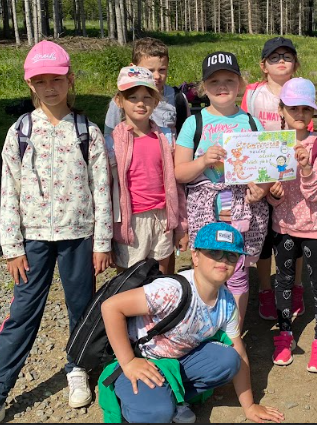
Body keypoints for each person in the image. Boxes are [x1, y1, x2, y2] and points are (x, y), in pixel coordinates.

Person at [0, 40, 113, 421]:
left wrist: (101, 243)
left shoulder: (87, 132)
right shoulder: (20, 131)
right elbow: (8, 190)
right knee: (22, 312)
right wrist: (12, 247)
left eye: (57, 79)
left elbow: (101, 190)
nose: (50, 88)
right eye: (41, 81)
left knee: (81, 307)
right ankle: (1, 386)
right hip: (32, 239)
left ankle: (77, 367)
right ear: (30, 84)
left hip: (78, 236)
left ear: (70, 80)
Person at [100, 222, 285, 424]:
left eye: (232, 255)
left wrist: (249, 406)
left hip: (177, 359)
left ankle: (172, 397)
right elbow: (111, 307)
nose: (224, 259)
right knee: (158, 413)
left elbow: (238, 352)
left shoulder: (227, 302)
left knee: (229, 359)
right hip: (142, 358)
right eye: (215, 252)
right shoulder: (171, 290)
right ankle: (134, 400)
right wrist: (129, 362)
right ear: (195, 257)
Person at [174, 51, 270, 331]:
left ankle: (232, 333)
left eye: (229, 79)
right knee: (207, 270)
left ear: (240, 84)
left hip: (242, 210)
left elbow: (265, 170)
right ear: (204, 87)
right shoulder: (194, 123)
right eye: (214, 81)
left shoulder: (252, 123)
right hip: (206, 212)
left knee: (236, 270)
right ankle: (203, 330)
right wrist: (204, 161)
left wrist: (260, 190)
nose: (222, 86)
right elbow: (180, 172)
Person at [104, 37, 191, 275]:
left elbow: (176, 173)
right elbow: (109, 170)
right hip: (131, 217)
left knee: (162, 274)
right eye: (150, 70)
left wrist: (181, 224)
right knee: (130, 278)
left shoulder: (169, 123)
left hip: (162, 212)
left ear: (155, 101)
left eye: (162, 70)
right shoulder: (114, 137)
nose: (157, 75)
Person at [241, 37, 311, 322]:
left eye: (287, 56)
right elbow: (244, 129)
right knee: (263, 235)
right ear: (263, 65)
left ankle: (296, 286)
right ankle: (266, 289)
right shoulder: (253, 93)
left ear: (295, 63)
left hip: (291, 174)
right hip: (260, 174)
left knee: (294, 233)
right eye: (274, 57)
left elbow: (306, 130)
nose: (281, 61)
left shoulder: (302, 89)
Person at [267, 78, 317, 372]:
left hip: (315, 226)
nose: (300, 114)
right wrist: (273, 195)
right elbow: (270, 191)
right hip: (283, 225)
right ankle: (284, 335)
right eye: (293, 108)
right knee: (283, 281)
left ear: (313, 113)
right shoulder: (272, 145)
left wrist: (306, 167)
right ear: (281, 110)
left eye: (306, 109)